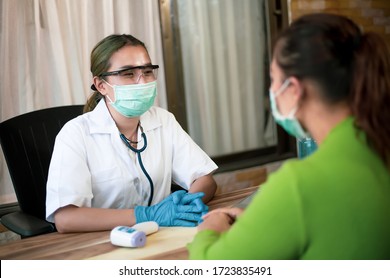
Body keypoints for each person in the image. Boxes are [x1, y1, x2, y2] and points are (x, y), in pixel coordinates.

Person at [187, 13, 390, 259]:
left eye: (273, 79)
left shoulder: (300, 186)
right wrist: (269, 221)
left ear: (293, 89)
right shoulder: (379, 148)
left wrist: (210, 229)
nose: (271, 91)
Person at [46, 34, 218, 233]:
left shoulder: (163, 120)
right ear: (101, 85)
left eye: (147, 71)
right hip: (104, 241)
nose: (141, 81)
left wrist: (186, 204)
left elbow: (204, 179)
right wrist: (146, 215)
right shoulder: (75, 134)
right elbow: (66, 219)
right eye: (128, 74)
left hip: (162, 233)